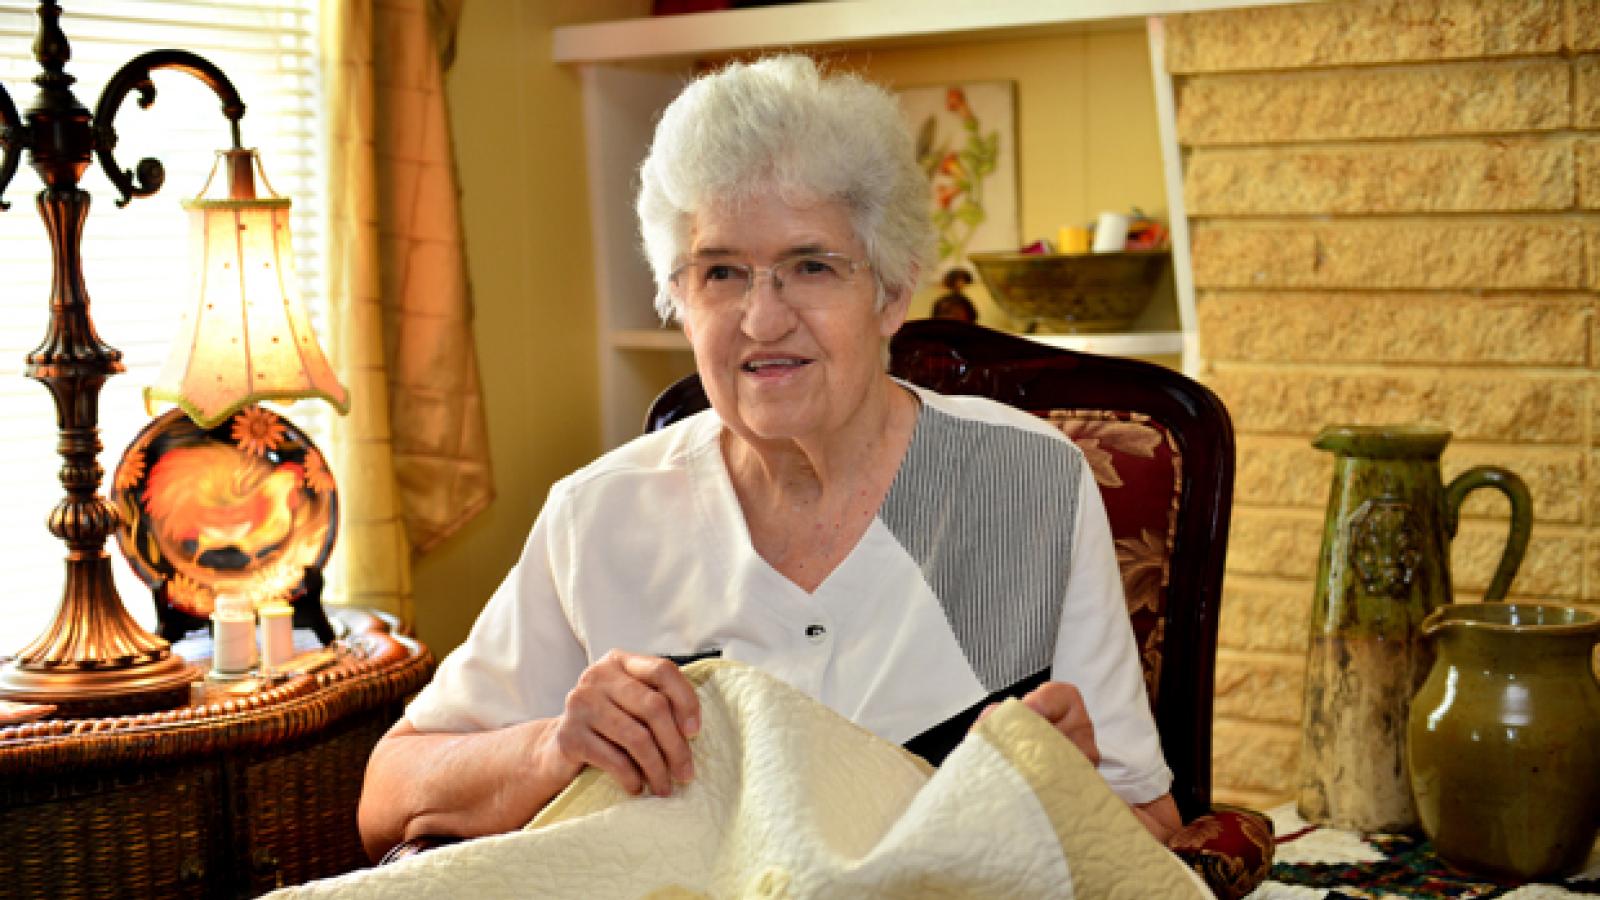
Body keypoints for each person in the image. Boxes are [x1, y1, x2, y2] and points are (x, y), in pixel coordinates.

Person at [357, 55, 1181, 862]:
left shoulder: (1022, 485)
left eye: (809, 266)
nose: (761, 320)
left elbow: (1152, 834)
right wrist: (553, 749)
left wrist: (1067, 797)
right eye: (721, 272)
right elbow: (388, 795)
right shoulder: (601, 514)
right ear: (680, 300)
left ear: (891, 292)